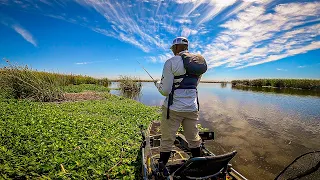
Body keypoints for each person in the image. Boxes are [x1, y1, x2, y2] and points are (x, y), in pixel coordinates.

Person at [154, 37, 207, 168]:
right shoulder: (198, 63)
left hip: (173, 109)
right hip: (192, 108)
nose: (172, 51)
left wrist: (157, 84)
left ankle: (162, 166)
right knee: (193, 138)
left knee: (167, 138)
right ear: (186, 47)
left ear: (176, 48)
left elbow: (165, 91)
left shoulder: (171, 62)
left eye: (173, 48)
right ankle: (199, 165)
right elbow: (195, 86)